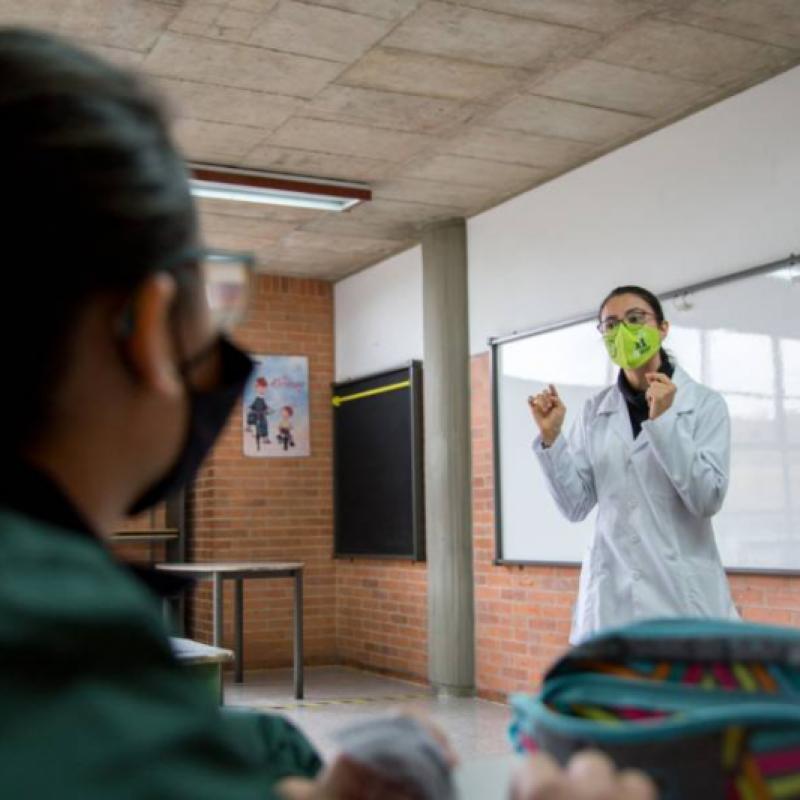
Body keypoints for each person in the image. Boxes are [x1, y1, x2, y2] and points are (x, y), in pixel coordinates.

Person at [0, 26, 654, 800]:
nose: (622, 332)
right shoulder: (63, 649)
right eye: (207, 317)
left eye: (634, 319)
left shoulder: (75, 653)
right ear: (147, 330)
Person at [529, 285, 738, 644]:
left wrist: (664, 423)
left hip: (682, 598)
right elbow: (575, 505)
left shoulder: (705, 404)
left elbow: (707, 499)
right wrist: (552, 439)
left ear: (663, 328)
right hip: (612, 600)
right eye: (610, 325)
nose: (622, 332)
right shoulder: (595, 411)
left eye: (635, 318)